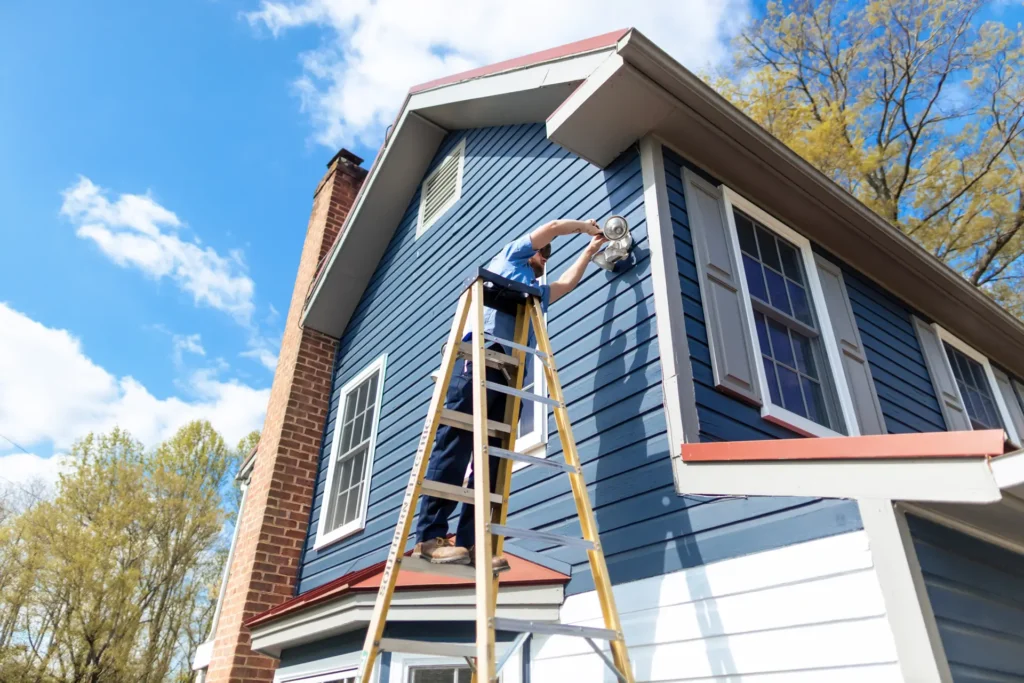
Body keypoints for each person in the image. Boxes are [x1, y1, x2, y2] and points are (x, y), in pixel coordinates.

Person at [413, 218, 608, 572]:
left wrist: (590, 250)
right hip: (480, 357)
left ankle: (473, 544)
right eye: (543, 253)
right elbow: (550, 227)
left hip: (510, 375)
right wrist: (583, 227)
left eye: (547, 256)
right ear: (530, 251)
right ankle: (430, 538)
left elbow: (566, 283)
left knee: (492, 460)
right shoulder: (509, 260)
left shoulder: (536, 295)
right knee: (456, 443)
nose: (545, 259)